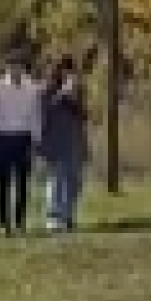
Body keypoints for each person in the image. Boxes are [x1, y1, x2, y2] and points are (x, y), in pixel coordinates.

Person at [0, 51, 41, 233]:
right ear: (7, 67)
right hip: (3, 137)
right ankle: (3, 222)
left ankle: (19, 221)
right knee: (3, 182)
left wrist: (35, 137)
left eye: (18, 66)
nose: (15, 69)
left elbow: (35, 114)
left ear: (23, 68)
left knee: (22, 182)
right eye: (12, 66)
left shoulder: (32, 88)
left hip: (23, 137)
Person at [39, 55, 91, 232]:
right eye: (64, 69)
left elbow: (84, 115)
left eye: (70, 69)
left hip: (75, 140)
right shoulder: (47, 89)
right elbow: (44, 111)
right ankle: (54, 217)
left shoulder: (77, 89)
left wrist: (74, 99)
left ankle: (68, 215)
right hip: (55, 141)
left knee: (75, 181)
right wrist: (62, 94)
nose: (67, 73)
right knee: (57, 179)